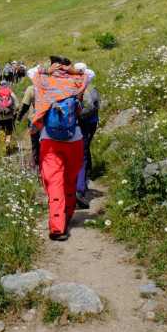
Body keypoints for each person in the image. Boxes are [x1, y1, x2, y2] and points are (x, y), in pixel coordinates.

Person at [28, 56, 95, 241]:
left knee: (54, 181)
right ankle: (68, 214)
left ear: (53, 65)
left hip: (49, 140)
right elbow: (90, 72)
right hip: (75, 139)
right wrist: (72, 71)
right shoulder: (77, 80)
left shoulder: (43, 80)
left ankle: (57, 227)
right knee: (70, 180)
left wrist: (47, 71)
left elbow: (31, 71)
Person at [74, 62, 101, 209]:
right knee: (83, 153)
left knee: (81, 153)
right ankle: (81, 187)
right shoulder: (91, 88)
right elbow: (95, 107)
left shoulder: (73, 87)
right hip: (89, 124)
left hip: (79, 124)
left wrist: (76, 117)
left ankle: (80, 184)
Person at [17, 83, 40, 170]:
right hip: (48, 120)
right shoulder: (50, 86)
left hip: (34, 120)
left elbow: (25, 106)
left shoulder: (31, 89)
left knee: (35, 144)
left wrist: (19, 118)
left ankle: (35, 165)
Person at [0, 80, 18, 148]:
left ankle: (2, 145)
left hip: (0, 117)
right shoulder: (10, 92)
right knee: (9, 131)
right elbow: (17, 105)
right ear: (7, 85)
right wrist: (15, 112)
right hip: (9, 116)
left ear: (0, 85)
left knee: (1, 130)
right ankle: (7, 142)